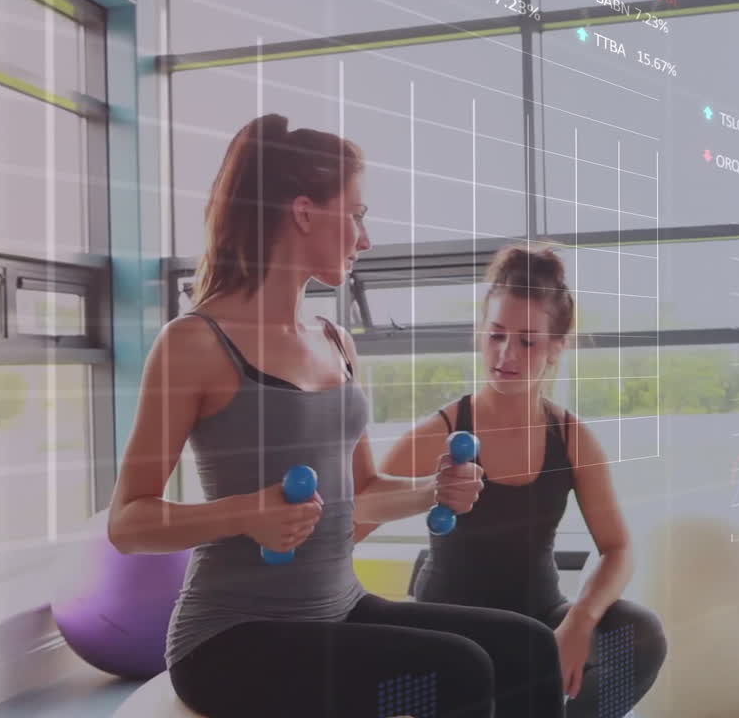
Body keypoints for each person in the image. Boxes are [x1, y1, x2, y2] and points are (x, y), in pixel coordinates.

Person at [107, 114, 565, 718]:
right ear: (304, 213)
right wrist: (246, 514)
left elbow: (362, 493)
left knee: (530, 646)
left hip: (339, 606)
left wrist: (433, 492)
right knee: (462, 670)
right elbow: (128, 523)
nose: (364, 238)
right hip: (230, 638)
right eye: (356, 214)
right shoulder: (194, 342)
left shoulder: (335, 341)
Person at [364, 244, 667, 718]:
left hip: (540, 622)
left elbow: (619, 548)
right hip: (451, 636)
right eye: (496, 335)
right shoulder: (436, 434)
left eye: (527, 341)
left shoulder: (571, 438)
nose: (506, 354)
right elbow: (355, 515)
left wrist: (580, 621)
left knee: (641, 634)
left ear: (556, 347)